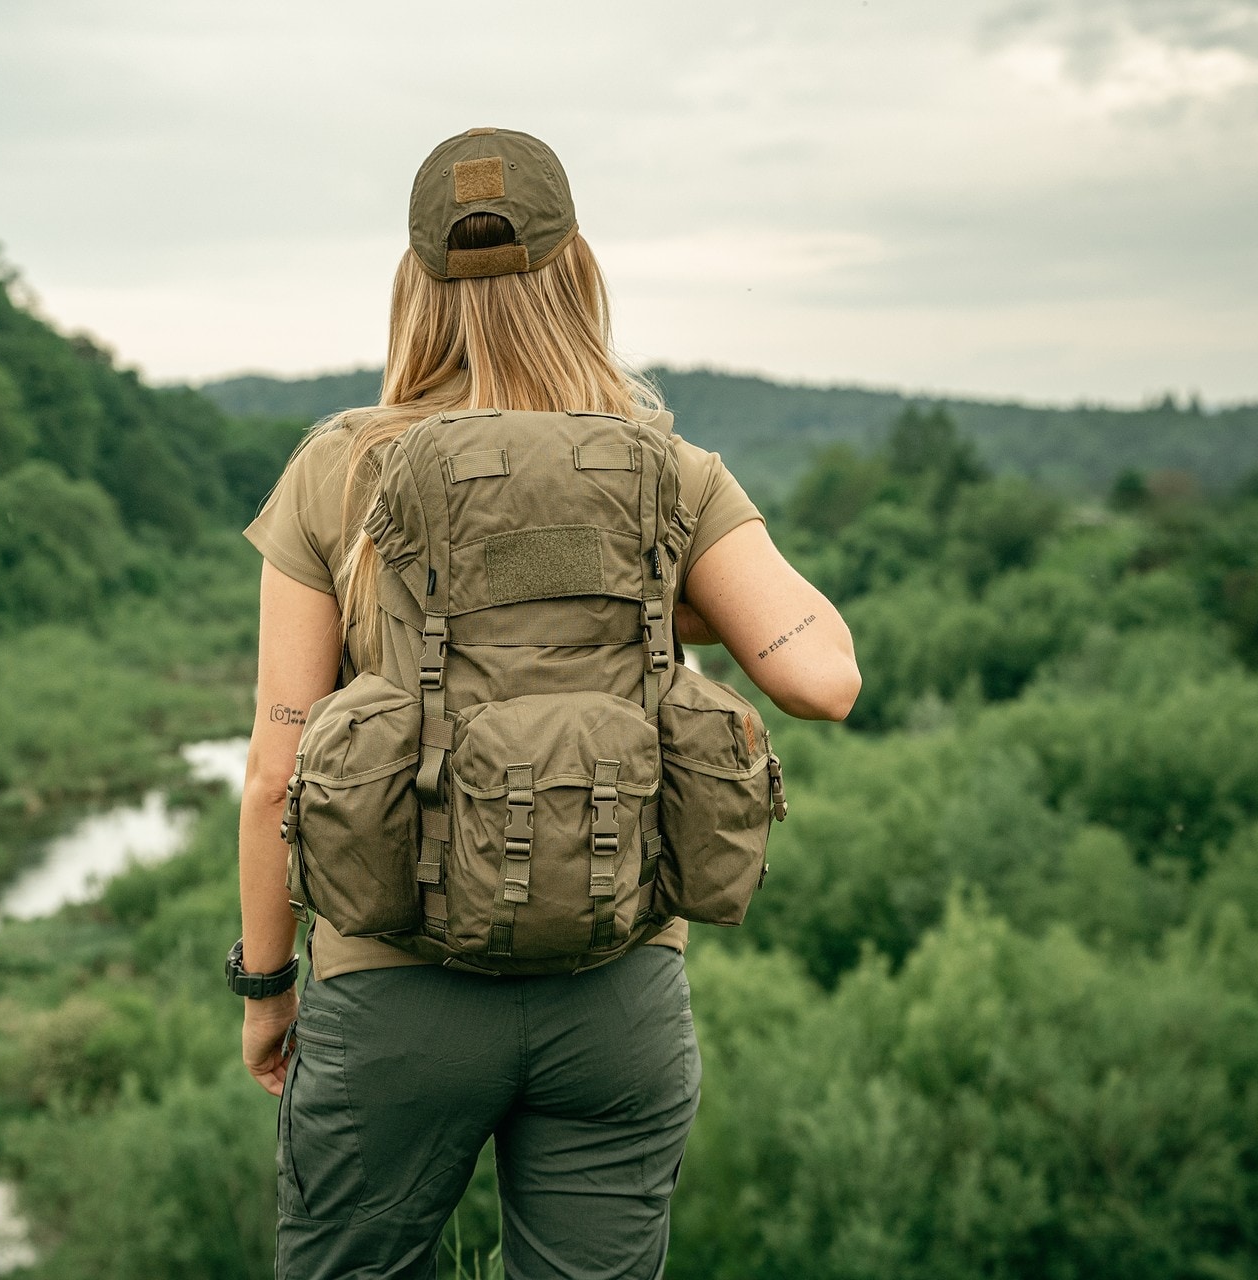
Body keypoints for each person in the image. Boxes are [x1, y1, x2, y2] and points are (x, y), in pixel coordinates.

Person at [233, 128, 860, 1279]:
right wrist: (660, 595)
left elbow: (277, 769)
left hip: (390, 993)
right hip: (615, 999)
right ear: (578, 273)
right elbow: (824, 675)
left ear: (415, 288)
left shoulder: (337, 468)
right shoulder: (664, 471)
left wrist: (268, 986)